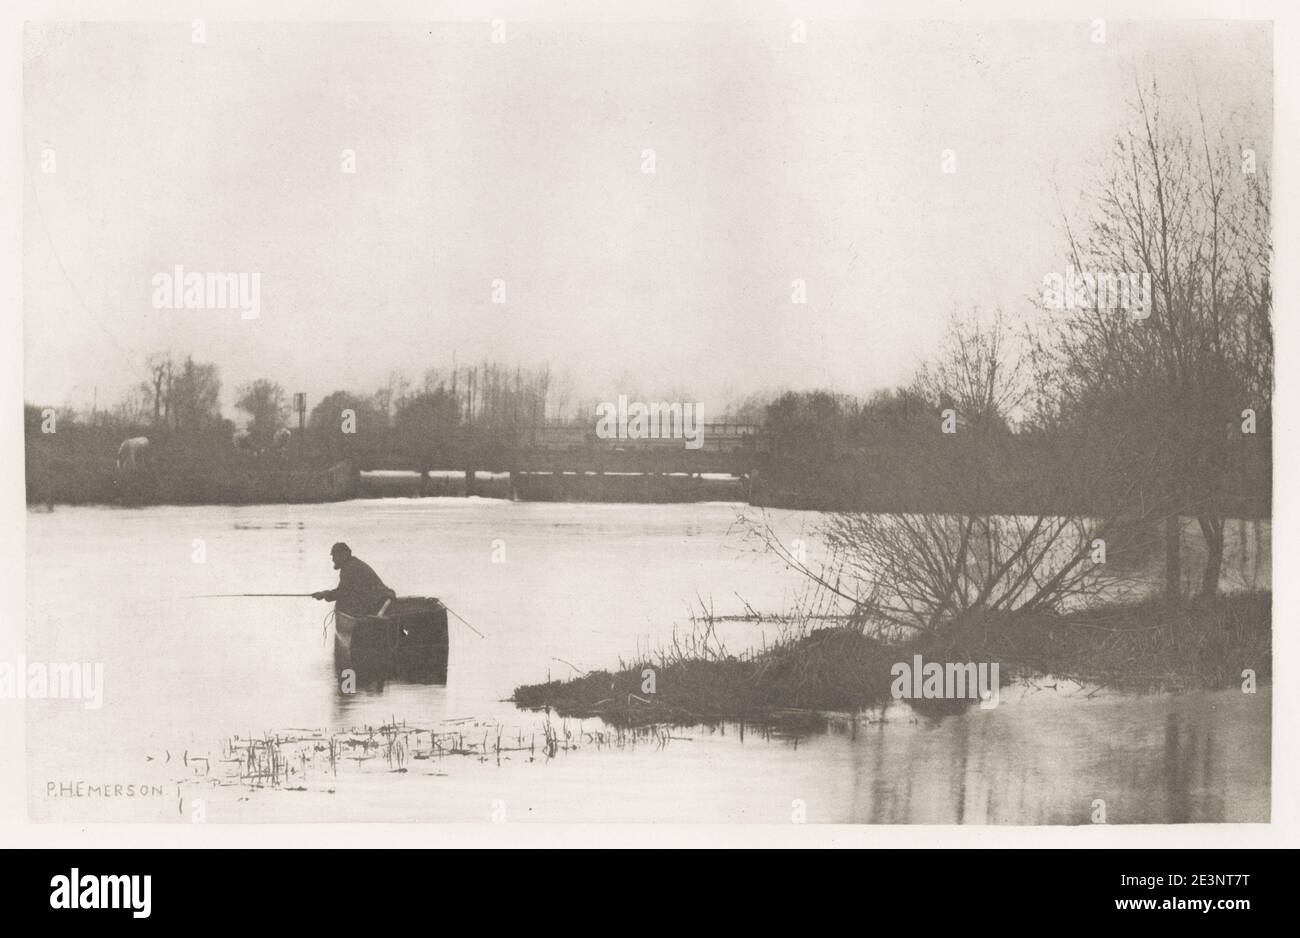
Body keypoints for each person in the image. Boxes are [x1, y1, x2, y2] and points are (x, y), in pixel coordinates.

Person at [312, 542, 396, 616]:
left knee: (341, 605)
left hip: (378, 603)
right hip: (383, 600)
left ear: (344, 555)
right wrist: (326, 594)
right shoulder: (355, 563)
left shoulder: (348, 568)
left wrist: (325, 594)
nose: (333, 559)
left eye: (335, 555)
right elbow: (347, 591)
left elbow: (342, 593)